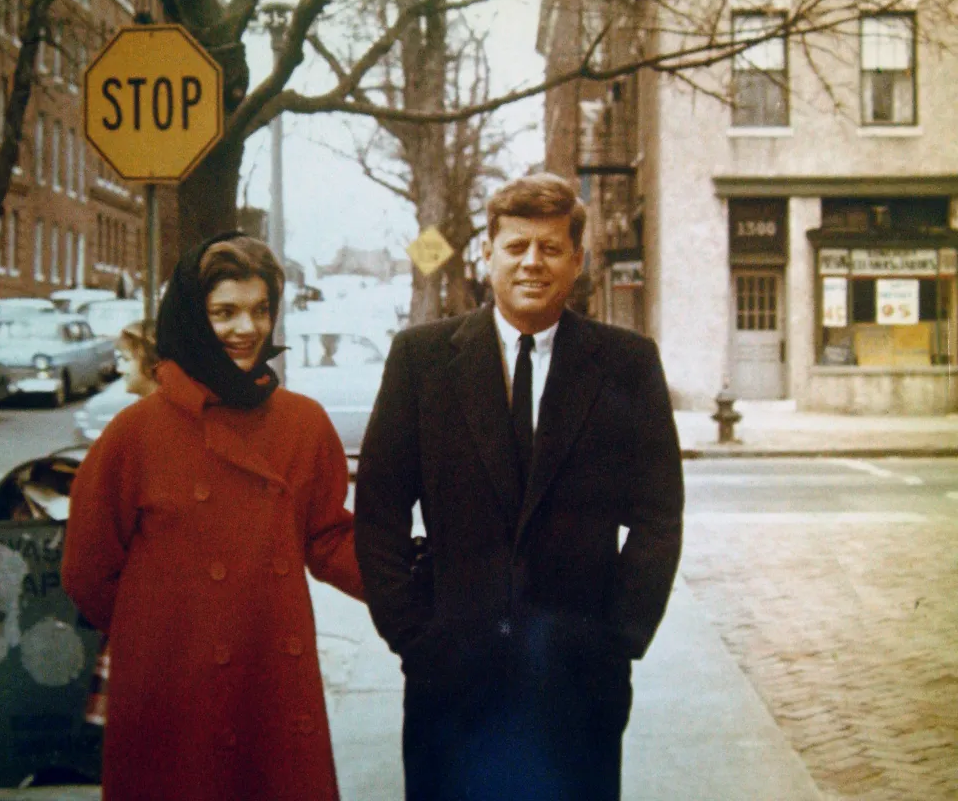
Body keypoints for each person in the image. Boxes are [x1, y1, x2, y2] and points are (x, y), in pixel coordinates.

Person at [354, 173, 684, 800]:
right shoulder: (421, 360)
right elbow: (378, 513)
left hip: (578, 679)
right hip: (451, 678)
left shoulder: (628, 364)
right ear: (488, 254)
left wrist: (619, 639)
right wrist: (414, 637)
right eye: (516, 246)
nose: (533, 262)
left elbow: (659, 517)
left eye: (551, 247)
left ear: (577, 260)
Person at [62, 232, 364, 801]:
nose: (247, 328)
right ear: (192, 318)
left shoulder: (303, 423)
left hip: (270, 672)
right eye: (224, 312)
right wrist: (159, 632)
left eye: (260, 310)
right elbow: (87, 569)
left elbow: (328, 538)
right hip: (170, 684)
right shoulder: (136, 432)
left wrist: (421, 583)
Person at [82, 320, 159, 730]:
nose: (120, 368)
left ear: (150, 361)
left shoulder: (137, 427)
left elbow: (86, 567)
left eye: (127, 359)